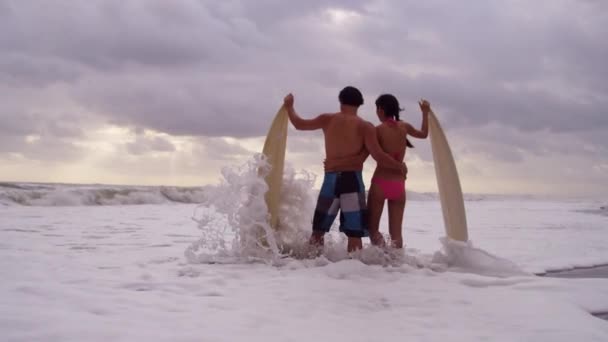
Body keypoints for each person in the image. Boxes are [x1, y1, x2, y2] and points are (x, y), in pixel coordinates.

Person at [283, 86, 406, 253]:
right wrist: (399, 166)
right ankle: (352, 272)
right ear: (360, 104)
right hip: (352, 180)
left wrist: (290, 106)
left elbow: (299, 124)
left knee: (318, 230)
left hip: (331, 179)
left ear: (340, 102)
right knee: (354, 233)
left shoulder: (327, 119)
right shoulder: (365, 126)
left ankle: (312, 265)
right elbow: (378, 155)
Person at [367, 94, 430, 248]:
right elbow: (424, 134)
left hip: (380, 182)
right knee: (396, 235)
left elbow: (376, 154)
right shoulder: (404, 127)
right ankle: (397, 266)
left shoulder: (377, 130)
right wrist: (425, 113)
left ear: (381, 110)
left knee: (372, 229)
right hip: (398, 184)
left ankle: (382, 260)